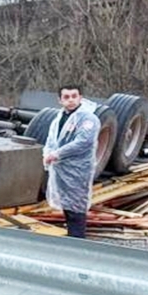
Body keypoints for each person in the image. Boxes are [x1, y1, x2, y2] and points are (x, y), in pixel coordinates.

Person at [42, 84, 100, 239]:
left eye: (74, 96)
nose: (71, 100)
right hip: (61, 169)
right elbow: (51, 140)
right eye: (66, 97)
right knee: (67, 206)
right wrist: (47, 154)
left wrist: (57, 154)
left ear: (80, 97)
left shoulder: (88, 118)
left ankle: (77, 241)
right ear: (60, 100)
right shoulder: (59, 118)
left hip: (78, 170)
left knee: (76, 207)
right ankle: (72, 238)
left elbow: (83, 141)